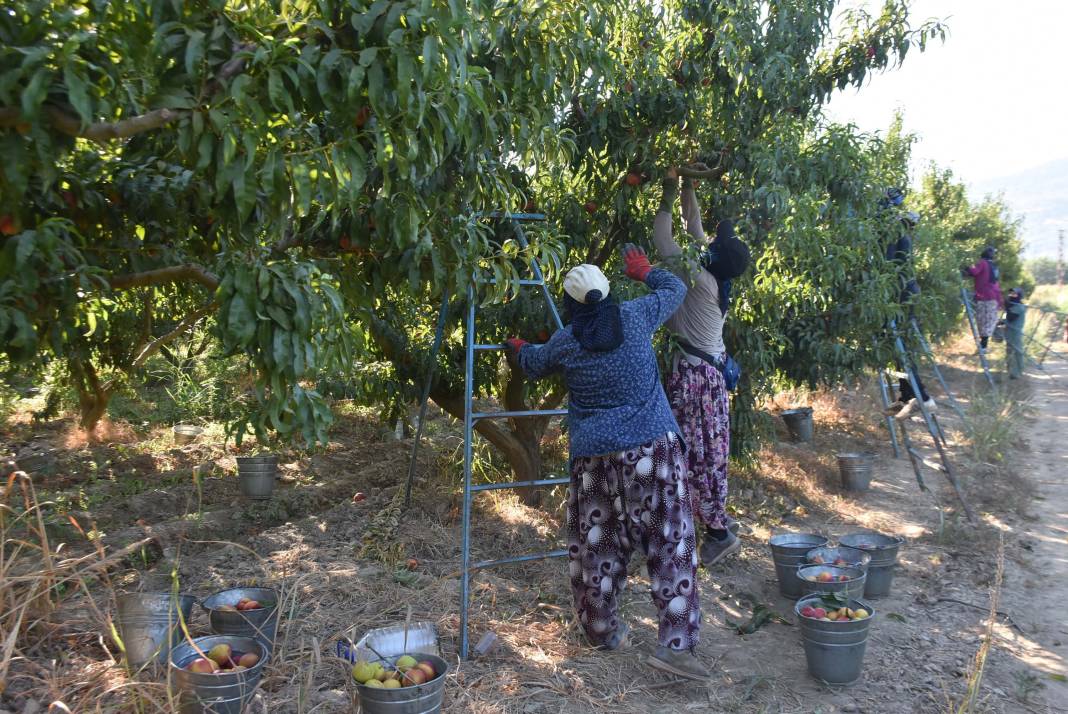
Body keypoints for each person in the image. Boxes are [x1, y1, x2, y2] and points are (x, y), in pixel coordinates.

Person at [506, 209, 707, 681]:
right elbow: (676, 289)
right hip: (651, 454)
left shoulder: (565, 342)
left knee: (596, 545)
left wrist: (517, 350)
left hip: (595, 459)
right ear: (611, 293)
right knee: (669, 541)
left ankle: (601, 629)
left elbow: (533, 365)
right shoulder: (636, 316)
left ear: (572, 305)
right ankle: (675, 646)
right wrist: (645, 270)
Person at [651, 170, 749, 566]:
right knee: (707, 454)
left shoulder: (700, 279)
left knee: (694, 455)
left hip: (695, 380)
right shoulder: (714, 276)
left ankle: (717, 532)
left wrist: (668, 191)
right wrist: (688, 183)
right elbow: (696, 230)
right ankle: (708, 525)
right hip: (707, 377)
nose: (708, 241)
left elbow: (664, 241)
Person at [882, 211, 936, 420]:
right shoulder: (904, 237)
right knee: (897, 350)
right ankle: (906, 395)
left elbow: (887, 266)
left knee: (902, 349)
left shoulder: (896, 238)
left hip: (901, 296)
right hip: (907, 293)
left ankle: (922, 397)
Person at [962, 247, 1003, 354]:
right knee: (988, 320)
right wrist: (999, 300)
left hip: (984, 296)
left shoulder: (983, 263)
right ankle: (984, 346)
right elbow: (996, 283)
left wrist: (965, 269)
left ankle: (983, 346)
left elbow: (974, 272)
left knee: (982, 320)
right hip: (993, 297)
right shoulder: (994, 266)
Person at [1004, 287, 1026, 379]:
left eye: (1014, 294)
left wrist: (1007, 306)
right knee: (1009, 351)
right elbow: (1008, 319)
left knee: (1017, 352)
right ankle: (1011, 372)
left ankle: (1018, 373)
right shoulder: (1013, 305)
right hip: (1010, 332)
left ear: (1019, 295)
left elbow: (1011, 317)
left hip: (1015, 333)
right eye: (1011, 294)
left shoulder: (1019, 306)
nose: (1012, 296)